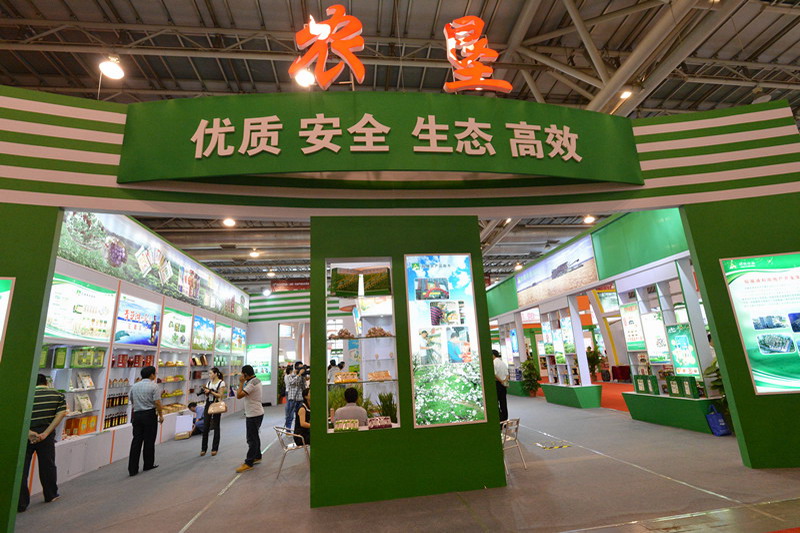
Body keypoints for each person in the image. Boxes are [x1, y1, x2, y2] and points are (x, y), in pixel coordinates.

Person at [18, 374, 66, 512]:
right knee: (47, 465)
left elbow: (18, 416)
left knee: (22, 469)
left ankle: (21, 502)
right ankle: (51, 494)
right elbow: (61, 414)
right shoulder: (58, 395)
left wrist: (28, 432)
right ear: (46, 382)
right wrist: (46, 433)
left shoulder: (25, 395)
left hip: (26, 435)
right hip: (46, 435)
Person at [128, 366, 163, 476]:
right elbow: (157, 402)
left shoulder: (134, 386)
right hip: (149, 415)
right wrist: (161, 415)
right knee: (149, 440)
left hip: (137, 415)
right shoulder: (154, 386)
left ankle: (132, 469)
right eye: (155, 373)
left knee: (136, 441)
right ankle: (148, 464)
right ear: (152, 375)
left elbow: (131, 399)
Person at [235, 365, 264, 473]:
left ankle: (249, 462)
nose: (241, 376)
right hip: (256, 412)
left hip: (253, 414)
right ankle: (257, 456)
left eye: (242, 374)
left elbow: (239, 395)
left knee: (251, 439)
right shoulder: (256, 380)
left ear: (245, 374)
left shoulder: (251, 383)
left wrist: (241, 383)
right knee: (255, 436)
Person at [199, 367, 226, 456]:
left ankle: (215, 448)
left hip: (217, 404)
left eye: (211, 373)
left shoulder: (221, 383)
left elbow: (220, 395)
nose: (209, 375)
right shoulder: (209, 383)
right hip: (208, 404)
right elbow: (208, 395)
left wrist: (210, 391)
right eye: (209, 373)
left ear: (216, 374)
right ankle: (203, 448)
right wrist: (206, 392)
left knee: (216, 426)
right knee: (206, 426)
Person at [284, 361, 306, 429]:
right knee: (290, 416)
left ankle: (297, 430)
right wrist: (299, 374)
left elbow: (303, 387)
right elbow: (292, 382)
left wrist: (303, 378)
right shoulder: (289, 376)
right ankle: (288, 430)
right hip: (292, 398)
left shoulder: (301, 377)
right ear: (296, 368)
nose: (302, 369)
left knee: (299, 416)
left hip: (300, 398)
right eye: (300, 368)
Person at [493, 350, 509, 423]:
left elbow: (494, 374)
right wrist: (504, 381)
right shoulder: (503, 363)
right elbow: (507, 374)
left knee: (496, 402)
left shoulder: (493, 363)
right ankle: (505, 419)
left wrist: (501, 381)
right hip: (503, 385)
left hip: (497, 384)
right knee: (503, 402)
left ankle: (500, 419)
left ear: (493, 355)